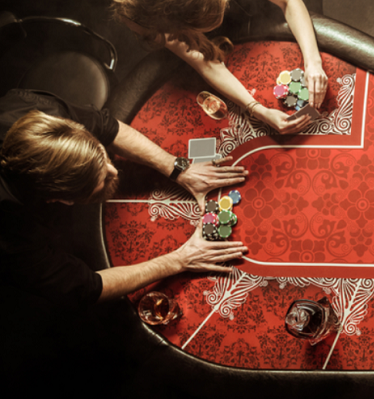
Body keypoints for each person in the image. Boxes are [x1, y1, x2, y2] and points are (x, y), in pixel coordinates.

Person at [0, 89, 249, 305]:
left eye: (102, 156)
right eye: (103, 180)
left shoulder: (40, 114)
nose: (114, 170)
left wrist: (178, 168)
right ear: (63, 201)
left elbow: (109, 128)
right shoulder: (13, 235)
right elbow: (87, 288)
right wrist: (181, 259)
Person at [111, 0, 327, 135]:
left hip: (272, 1)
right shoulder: (154, 19)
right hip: (235, 31)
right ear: (181, 24)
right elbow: (204, 62)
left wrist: (313, 63)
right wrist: (258, 110)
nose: (224, 11)